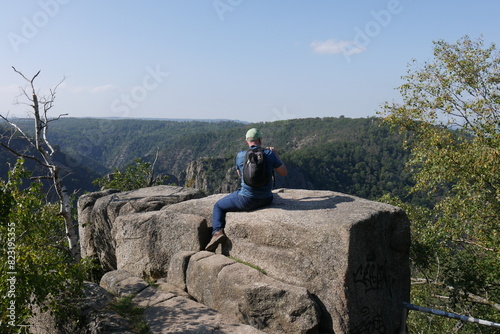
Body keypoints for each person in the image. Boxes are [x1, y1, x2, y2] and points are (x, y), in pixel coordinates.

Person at [205, 128, 288, 251]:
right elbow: (284, 172)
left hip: (246, 200)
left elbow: (240, 175)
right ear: (260, 140)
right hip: (267, 199)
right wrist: (275, 154)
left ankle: (217, 232)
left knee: (218, 206)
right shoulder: (269, 154)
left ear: (247, 141)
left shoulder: (241, 155)